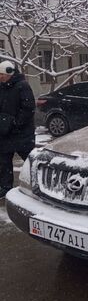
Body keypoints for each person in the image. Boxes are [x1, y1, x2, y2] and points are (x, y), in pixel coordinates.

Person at [0, 60, 35, 198]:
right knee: (4, 163)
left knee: (30, 161)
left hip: (22, 134)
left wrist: (15, 123)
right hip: (4, 133)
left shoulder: (22, 86)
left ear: (10, 73)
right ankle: (5, 187)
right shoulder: (1, 87)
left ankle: (37, 185)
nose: (0, 77)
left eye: (2, 74)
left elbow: (28, 108)